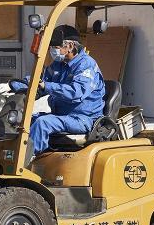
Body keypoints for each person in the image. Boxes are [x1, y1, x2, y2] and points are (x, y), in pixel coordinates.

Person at [9, 25, 105, 158]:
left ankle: (29, 161)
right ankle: (12, 157)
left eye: (56, 47)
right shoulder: (58, 65)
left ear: (70, 46)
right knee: (23, 120)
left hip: (82, 118)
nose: (52, 51)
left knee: (43, 123)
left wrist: (46, 86)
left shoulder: (86, 65)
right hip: (61, 116)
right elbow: (41, 80)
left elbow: (76, 93)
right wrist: (20, 84)